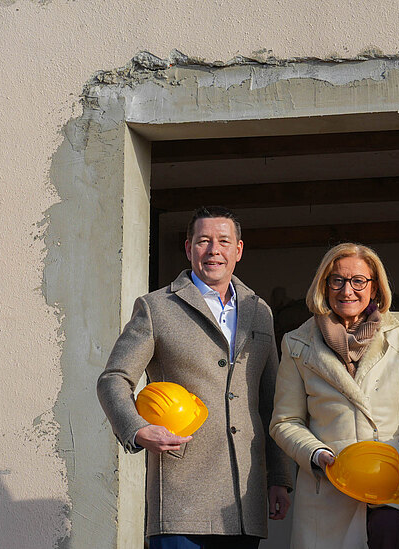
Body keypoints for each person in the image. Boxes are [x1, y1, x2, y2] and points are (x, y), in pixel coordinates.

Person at [97, 206, 295, 549]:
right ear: (189, 248)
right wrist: (137, 429)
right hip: (181, 497)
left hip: (244, 500)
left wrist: (279, 476)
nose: (214, 250)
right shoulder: (156, 308)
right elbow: (114, 378)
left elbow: (270, 400)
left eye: (223, 241)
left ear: (238, 250)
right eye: (203, 241)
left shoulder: (260, 311)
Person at [269, 242, 399, 549]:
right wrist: (317, 454)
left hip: (390, 478)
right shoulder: (297, 343)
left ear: (375, 288)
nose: (347, 291)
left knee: (389, 527)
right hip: (330, 485)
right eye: (337, 280)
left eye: (358, 281)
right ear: (324, 286)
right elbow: (285, 421)